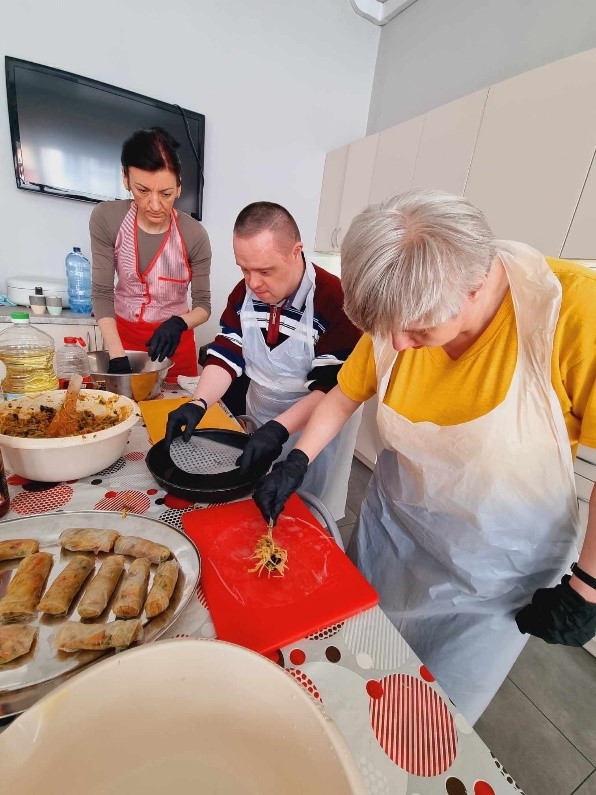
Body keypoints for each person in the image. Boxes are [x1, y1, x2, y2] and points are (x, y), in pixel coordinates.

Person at [253, 190, 596, 724]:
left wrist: (590, 584)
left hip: (493, 573)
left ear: (473, 288)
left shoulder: (569, 312)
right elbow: (345, 394)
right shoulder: (402, 306)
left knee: (425, 719)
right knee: (354, 674)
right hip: (393, 536)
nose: (397, 344)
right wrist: (298, 458)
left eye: (417, 330)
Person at [165, 201, 362, 519]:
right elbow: (229, 353)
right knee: (256, 509)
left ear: (295, 251)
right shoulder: (245, 294)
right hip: (261, 420)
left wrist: (280, 430)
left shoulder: (335, 300)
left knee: (303, 515)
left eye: (264, 270)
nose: (253, 283)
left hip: (314, 433)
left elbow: (331, 389)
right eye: (244, 268)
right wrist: (199, 403)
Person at [90, 127, 211, 379]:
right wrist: (117, 354)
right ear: (126, 180)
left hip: (175, 344)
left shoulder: (194, 235)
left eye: (166, 194)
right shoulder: (107, 219)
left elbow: (203, 305)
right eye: (142, 191)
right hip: (122, 342)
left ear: (179, 187)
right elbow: (102, 293)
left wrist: (179, 324)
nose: (155, 205)